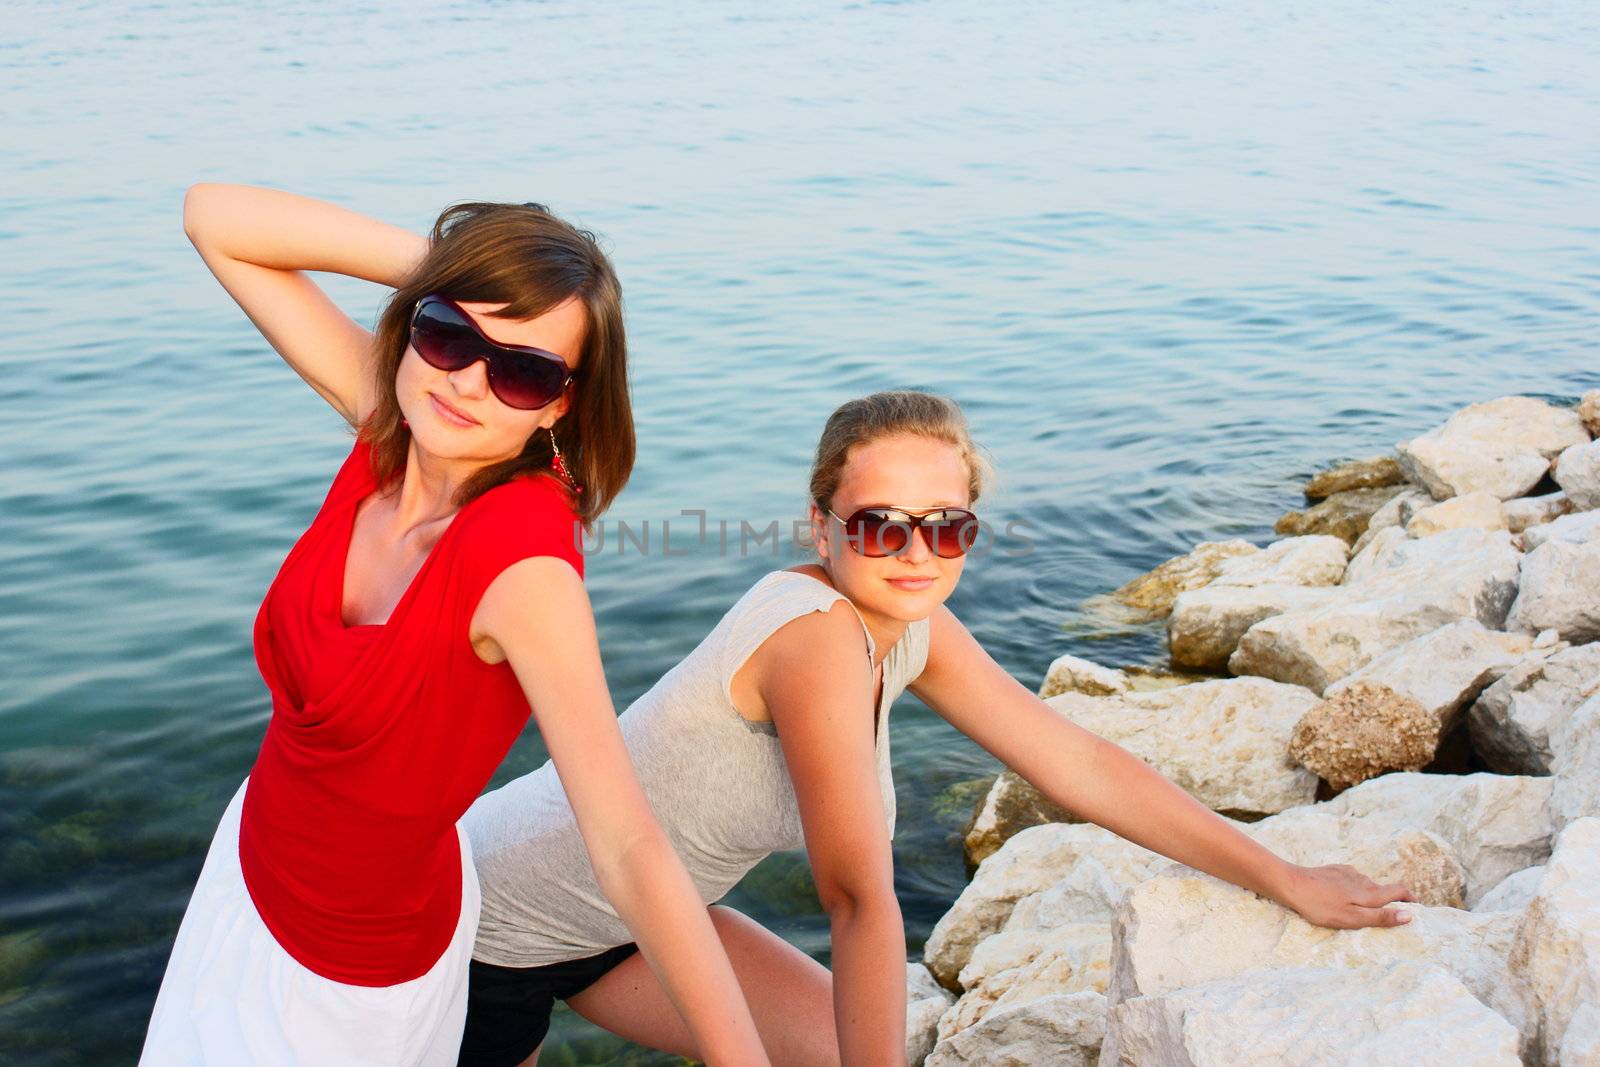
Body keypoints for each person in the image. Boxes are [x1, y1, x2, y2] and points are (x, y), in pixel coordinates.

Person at [459, 389, 1418, 1067]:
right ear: (819, 528)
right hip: (485, 931)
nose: (917, 553)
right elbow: (857, 898)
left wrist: (1280, 873)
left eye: (946, 525)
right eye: (881, 524)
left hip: (638, 926)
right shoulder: (812, 639)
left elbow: (1072, 759)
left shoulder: (910, 622)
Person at [138, 184, 769, 1066]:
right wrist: (471, 272)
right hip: (246, 873)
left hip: (348, 976)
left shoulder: (524, 571)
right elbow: (214, 217)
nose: (469, 380)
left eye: (524, 370)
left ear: (559, 406)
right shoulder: (390, 431)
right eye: (448, 334)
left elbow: (629, 845)